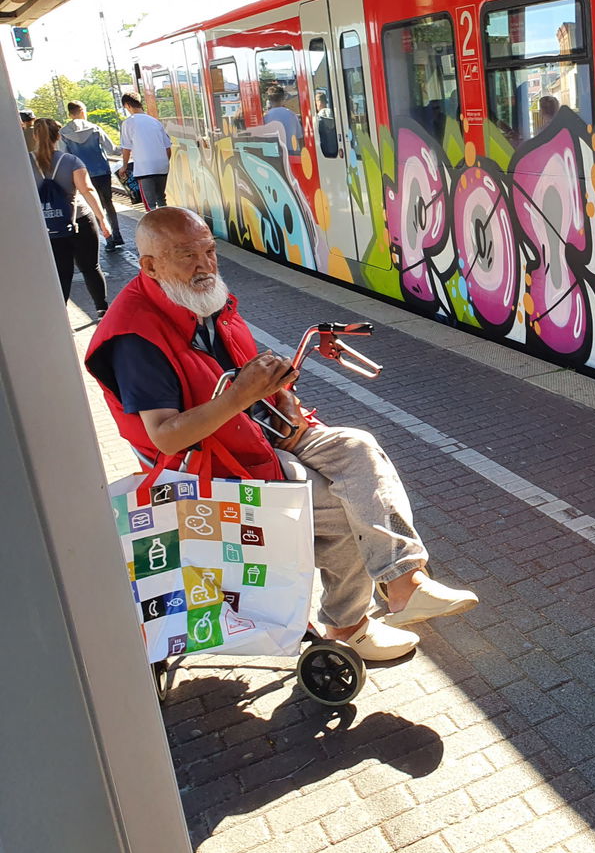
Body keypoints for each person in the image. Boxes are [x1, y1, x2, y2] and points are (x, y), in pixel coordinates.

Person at [84, 208, 479, 661]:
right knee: (343, 508)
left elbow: (237, 374)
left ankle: (407, 582)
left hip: (262, 430)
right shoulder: (136, 337)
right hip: (211, 463)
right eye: (186, 255)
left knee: (359, 446)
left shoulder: (202, 301)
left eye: (209, 251)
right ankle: (348, 625)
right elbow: (166, 438)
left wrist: (278, 395)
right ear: (150, 265)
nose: (205, 265)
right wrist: (241, 396)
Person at [29, 117, 112, 316]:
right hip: (79, 220)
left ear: (35, 136)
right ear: (58, 136)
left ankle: (61, 317)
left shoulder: (24, 163)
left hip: (46, 225)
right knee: (91, 267)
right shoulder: (71, 161)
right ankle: (102, 311)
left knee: (61, 273)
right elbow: (87, 190)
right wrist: (102, 219)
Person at [62, 100, 125, 249]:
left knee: (94, 205)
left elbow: (65, 156)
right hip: (102, 171)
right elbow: (112, 150)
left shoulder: (63, 133)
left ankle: (108, 240)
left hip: (81, 175)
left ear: (70, 114)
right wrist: (127, 148)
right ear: (82, 111)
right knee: (108, 203)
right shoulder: (94, 128)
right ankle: (117, 235)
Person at [119, 91, 172, 211]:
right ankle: (166, 221)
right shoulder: (155, 121)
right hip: (162, 166)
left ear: (127, 105)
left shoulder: (128, 123)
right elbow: (167, 147)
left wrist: (124, 166)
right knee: (161, 199)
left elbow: (126, 148)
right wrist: (164, 162)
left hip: (144, 168)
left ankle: (153, 223)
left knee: (150, 204)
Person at [262, 84, 304, 156]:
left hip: (275, 153)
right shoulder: (292, 115)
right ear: (283, 98)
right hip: (292, 152)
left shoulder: (266, 117)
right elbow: (300, 137)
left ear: (269, 100)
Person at [313, 89, 338, 158]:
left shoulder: (318, 117)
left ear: (319, 103)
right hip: (334, 148)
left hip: (325, 150)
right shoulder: (333, 114)